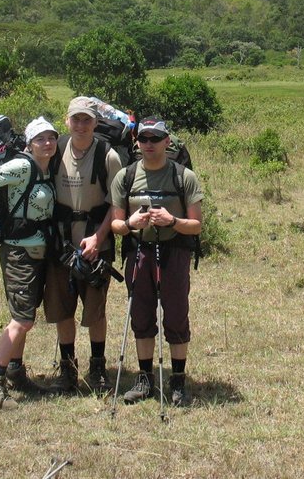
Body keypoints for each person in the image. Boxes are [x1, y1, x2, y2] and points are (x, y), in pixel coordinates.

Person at [0, 116, 59, 411]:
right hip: (18, 252)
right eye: (40, 138)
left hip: (39, 251)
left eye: (51, 137)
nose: (48, 143)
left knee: (25, 316)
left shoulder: (47, 167)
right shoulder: (23, 166)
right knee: (23, 319)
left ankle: (16, 372)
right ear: (29, 143)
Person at [109, 117, 203, 407]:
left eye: (155, 139)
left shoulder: (183, 177)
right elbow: (115, 225)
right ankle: (145, 378)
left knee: (176, 315)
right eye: (144, 139)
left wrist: (172, 220)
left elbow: (196, 225)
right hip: (139, 251)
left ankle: (177, 380)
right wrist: (130, 223)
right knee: (141, 316)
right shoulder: (124, 177)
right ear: (137, 142)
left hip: (174, 252)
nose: (149, 144)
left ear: (167, 142)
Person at [44, 96, 123, 394]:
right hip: (61, 245)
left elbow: (117, 205)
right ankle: (68, 370)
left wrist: (99, 238)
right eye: (75, 119)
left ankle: (98, 368)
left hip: (96, 245)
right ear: (66, 120)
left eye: (86, 119)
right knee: (62, 309)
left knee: (95, 311)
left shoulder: (108, 156)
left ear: (96, 122)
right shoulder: (56, 149)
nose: (80, 125)